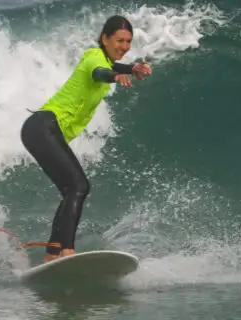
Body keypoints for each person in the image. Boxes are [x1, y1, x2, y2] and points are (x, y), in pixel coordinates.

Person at [20, 15, 152, 264]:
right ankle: (67, 252)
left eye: (128, 42)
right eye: (119, 40)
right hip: (43, 127)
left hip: (42, 129)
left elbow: (114, 66)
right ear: (104, 38)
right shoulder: (94, 56)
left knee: (72, 190)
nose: (124, 46)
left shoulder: (107, 60)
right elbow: (101, 72)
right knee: (79, 187)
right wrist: (116, 77)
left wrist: (132, 69)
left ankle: (52, 255)